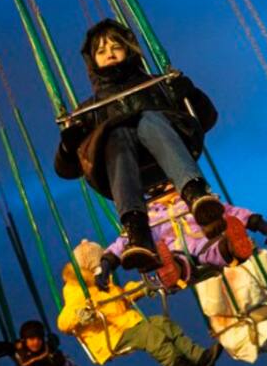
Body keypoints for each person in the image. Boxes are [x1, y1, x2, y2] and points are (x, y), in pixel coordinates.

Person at [54, 19, 234, 271]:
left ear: (128, 49)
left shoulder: (158, 84)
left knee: (147, 118)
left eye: (115, 47)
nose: (110, 54)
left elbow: (207, 119)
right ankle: (136, 230)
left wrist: (190, 93)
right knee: (116, 133)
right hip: (123, 168)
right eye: (101, 51)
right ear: (92, 60)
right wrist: (68, 144)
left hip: (167, 150)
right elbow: (66, 171)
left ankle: (195, 194)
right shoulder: (88, 110)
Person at [56, 240, 221, 366]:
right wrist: (81, 314)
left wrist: (144, 287)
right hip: (108, 336)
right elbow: (63, 321)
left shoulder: (102, 281)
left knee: (162, 323)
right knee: (150, 334)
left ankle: (198, 356)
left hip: (127, 324)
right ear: (90, 264)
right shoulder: (75, 288)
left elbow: (120, 297)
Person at [103, 187, 267, 276]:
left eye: (171, 186)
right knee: (175, 261)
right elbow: (126, 240)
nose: (168, 192)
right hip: (173, 250)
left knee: (212, 251)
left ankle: (232, 247)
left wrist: (257, 222)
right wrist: (109, 261)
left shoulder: (189, 202)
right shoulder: (150, 214)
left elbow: (226, 210)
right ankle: (172, 269)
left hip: (201, 240)